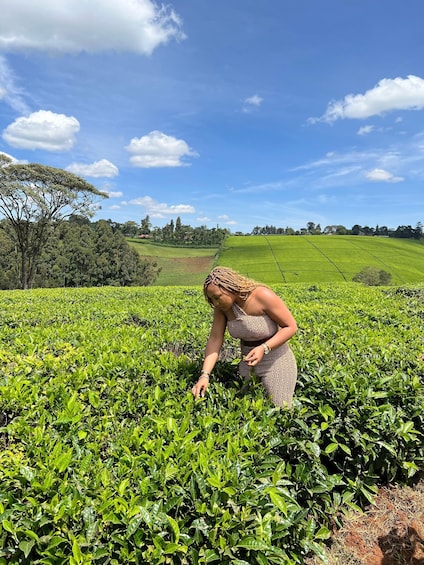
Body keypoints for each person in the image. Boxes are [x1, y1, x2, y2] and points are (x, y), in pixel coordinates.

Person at [191, 266, 298, 407]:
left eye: (217, 297)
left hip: (276, 362)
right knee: (247, 411)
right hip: (248, 365)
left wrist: (264, 348)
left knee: (280, 409)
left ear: (229, 287)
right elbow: (215, 339)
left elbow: (290, 327)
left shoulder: (262, 295)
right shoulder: (222, 308)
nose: (215, 303)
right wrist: (204, 375)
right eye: (212, 300)